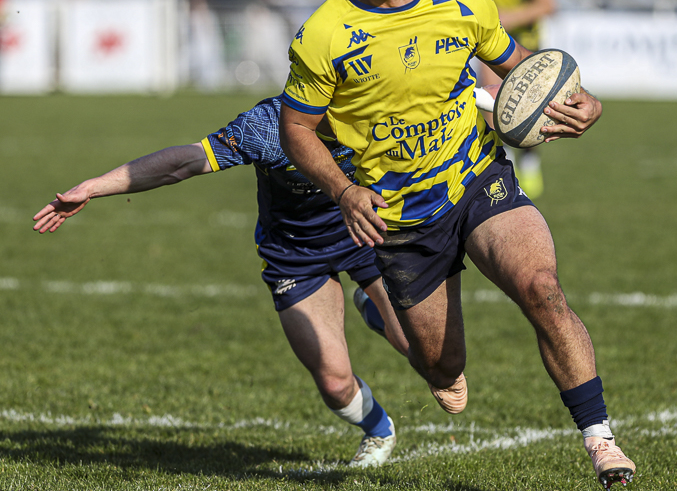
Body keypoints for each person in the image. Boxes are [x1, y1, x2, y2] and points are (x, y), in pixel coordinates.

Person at [276, 0, 635, 487]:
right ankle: (387, 317)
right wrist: (342, 191)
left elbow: (525, 73)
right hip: (401, 220)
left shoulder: (466, 7)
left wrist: (579, 101)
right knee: (446, 371)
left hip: (475, 179)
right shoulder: (323, 33)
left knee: (541, 287)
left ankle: (601, 440)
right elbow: (296, 129)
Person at [32, 96, 409, 468]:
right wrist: (93, 187)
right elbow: (182, 163)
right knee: (336, 386)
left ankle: (376, 308)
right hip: (295, 254)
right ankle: (378, 429)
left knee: (418, 348)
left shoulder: (379, 110)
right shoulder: (268, 125)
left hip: (365, 235)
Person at [456, 0, 558, 198]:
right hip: (489, 42)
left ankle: (529, 156)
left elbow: (548, 4)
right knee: (491, 96)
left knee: (532, 109)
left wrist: (505, 18)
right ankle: (504, 159)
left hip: (526, 44)